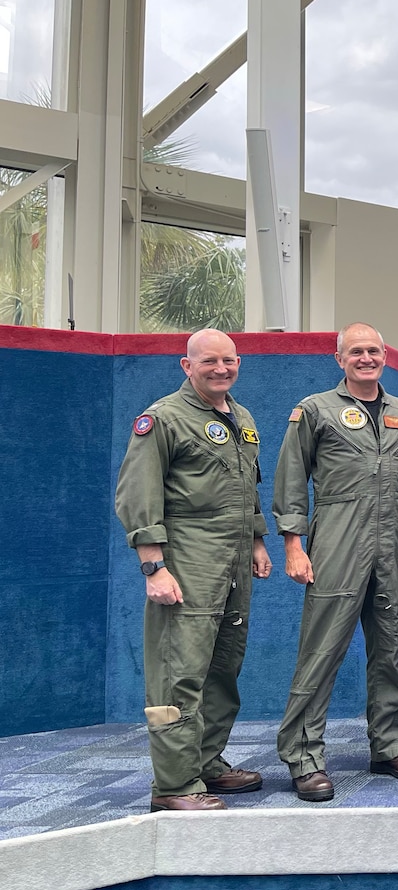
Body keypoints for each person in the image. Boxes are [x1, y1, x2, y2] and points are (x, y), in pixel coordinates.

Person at [114, 328, 272, 811]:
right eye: (209, 361)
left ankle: (206, 763)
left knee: (223, 667)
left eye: (229, 360)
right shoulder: (162, 419)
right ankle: (175, 785)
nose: (220, 368)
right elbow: (137, 494)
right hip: (187, 560)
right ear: (187, 366)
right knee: (179, 672)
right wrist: (153, 567)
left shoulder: (240, 417)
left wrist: (258, 541)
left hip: (232, 562)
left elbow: (248, 485)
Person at [272, 323, 398, 802]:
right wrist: (293, 545)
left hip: (392, 541)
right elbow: (292, 479)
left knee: (390, 650)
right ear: (339, 358)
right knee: (322, 649)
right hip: (337, 536)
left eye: (374, 350)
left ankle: (388, 745)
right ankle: (303, 757)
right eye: (356, 351)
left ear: (384, 357)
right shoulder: (316, 410)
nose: (366, 358)